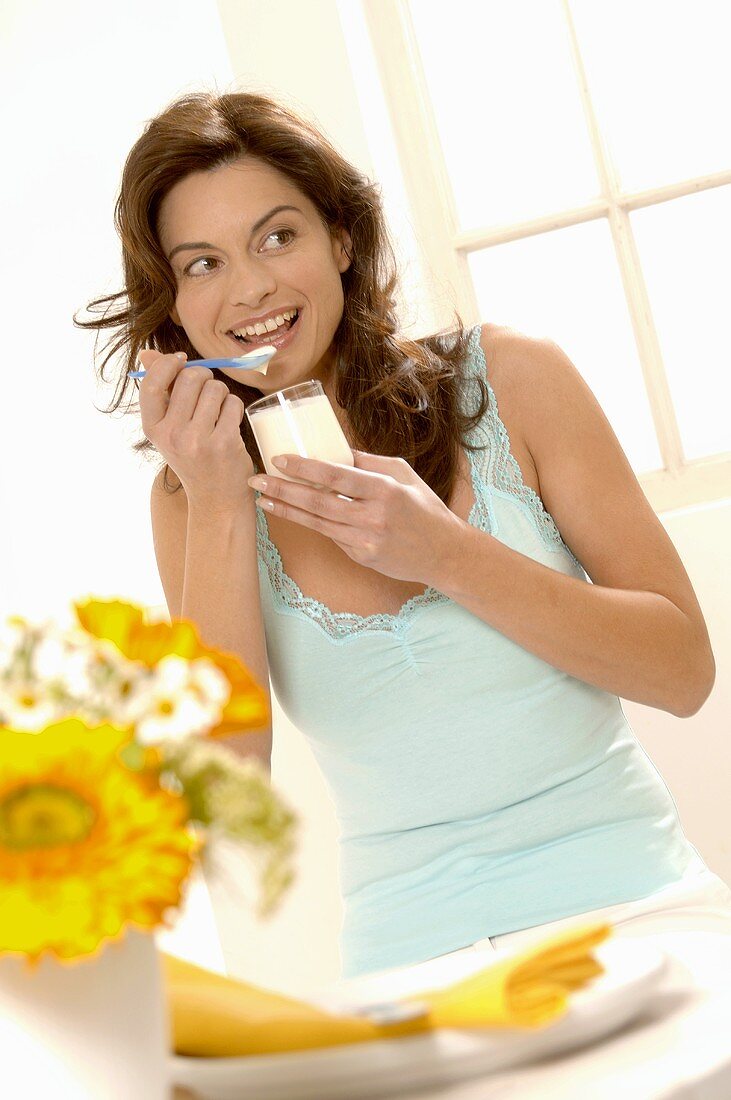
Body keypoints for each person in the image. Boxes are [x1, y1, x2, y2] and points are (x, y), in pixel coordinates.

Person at [77, 90, 731, 980]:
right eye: (201, 263)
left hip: (638, 911)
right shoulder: (190, 498)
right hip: (412, 963)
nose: (251, 286)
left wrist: (448, 555)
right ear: (174, 301)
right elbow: (225, 804)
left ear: (340, 239)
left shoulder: (511, 380)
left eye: (277, 236)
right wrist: (224, 504)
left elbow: (683, 672)